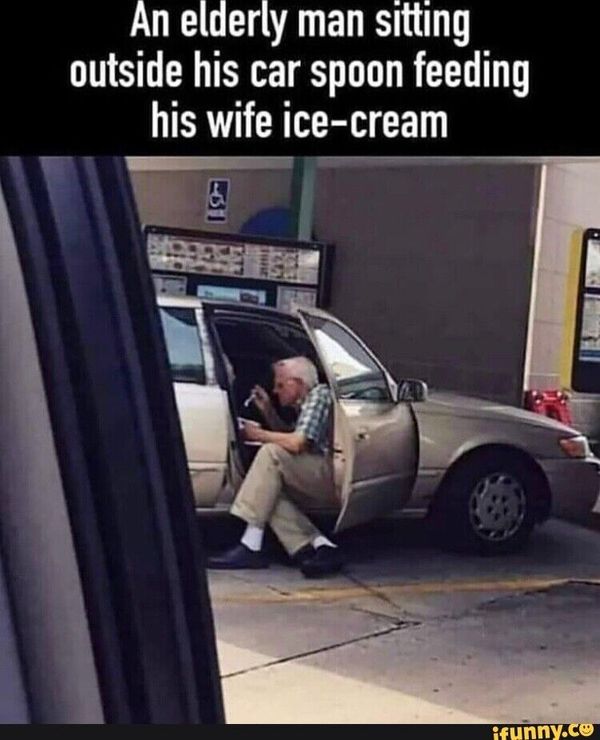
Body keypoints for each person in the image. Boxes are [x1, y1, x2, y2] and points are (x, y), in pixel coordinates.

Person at [207, 356, 344, 578]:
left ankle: (251, 544)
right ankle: (320, 545)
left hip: (328, 473)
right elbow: (292, 436)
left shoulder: (319, 396)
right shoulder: (305, 403)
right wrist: (268, 410)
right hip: (312, 471)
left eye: (280, 385)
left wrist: (258, 434)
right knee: (267, 491)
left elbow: (298, 443)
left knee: (270, 454)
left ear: (297, 383)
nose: (275, 389)